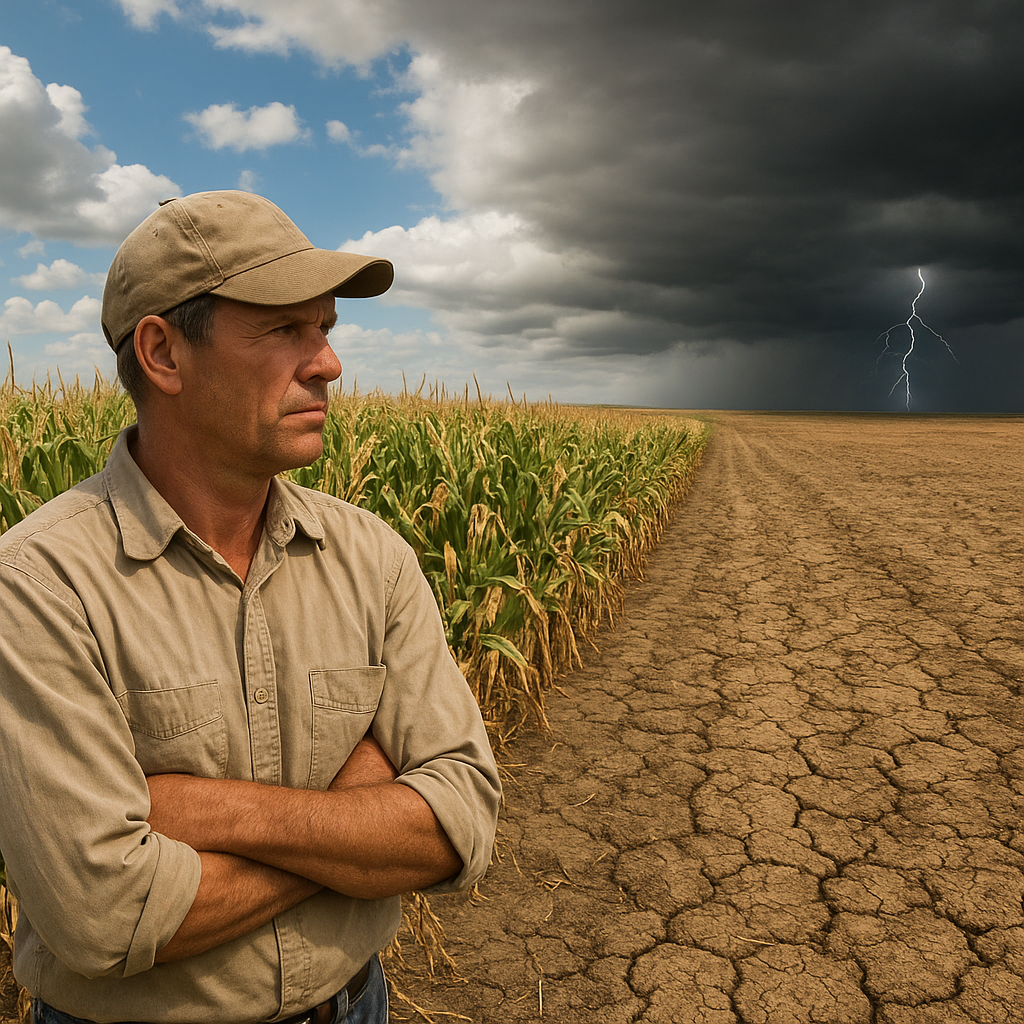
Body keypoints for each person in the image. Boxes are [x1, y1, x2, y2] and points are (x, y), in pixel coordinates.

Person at [0, 191, 501, 1024]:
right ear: (162, 353)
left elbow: (462, 820)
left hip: (355, 1004)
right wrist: (358, 819)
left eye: (326, 330)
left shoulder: (371, 556)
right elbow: (104, 915)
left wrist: (209, 811)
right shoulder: (41, 585)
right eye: (283, 331)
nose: (328, 364)